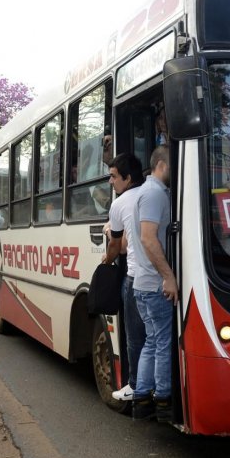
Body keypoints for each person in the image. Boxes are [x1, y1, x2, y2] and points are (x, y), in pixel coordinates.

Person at [132, 146, 177, 422]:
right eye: (173, 165)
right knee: (162, 343)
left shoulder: (150, 192)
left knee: (152, 342)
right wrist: (168, 276)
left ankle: (142, 397)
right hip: (153, 285)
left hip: (145, 283)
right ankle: (163, 399)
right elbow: (149, 238)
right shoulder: (153, 194)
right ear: (161, 164)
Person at [100, 153, 145, 402]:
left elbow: (121, 246)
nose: (110, 182)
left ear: (127, 178)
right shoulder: (154, 194)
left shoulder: (120, 204)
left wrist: (107, 257)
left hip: (134, 276)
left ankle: (136, 386)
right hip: (160, 276)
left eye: (114, 176)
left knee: (134, 336)